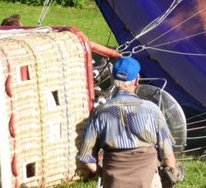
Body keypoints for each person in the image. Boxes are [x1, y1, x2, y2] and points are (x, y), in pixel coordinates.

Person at [77, 57, 180, 188]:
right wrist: (171, 175)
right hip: (148, 181)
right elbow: (167, 154)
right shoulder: (152, 110)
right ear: (137, 79)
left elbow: (86, 157)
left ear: (114, 80)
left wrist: (104, 175)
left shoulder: (100, 113)